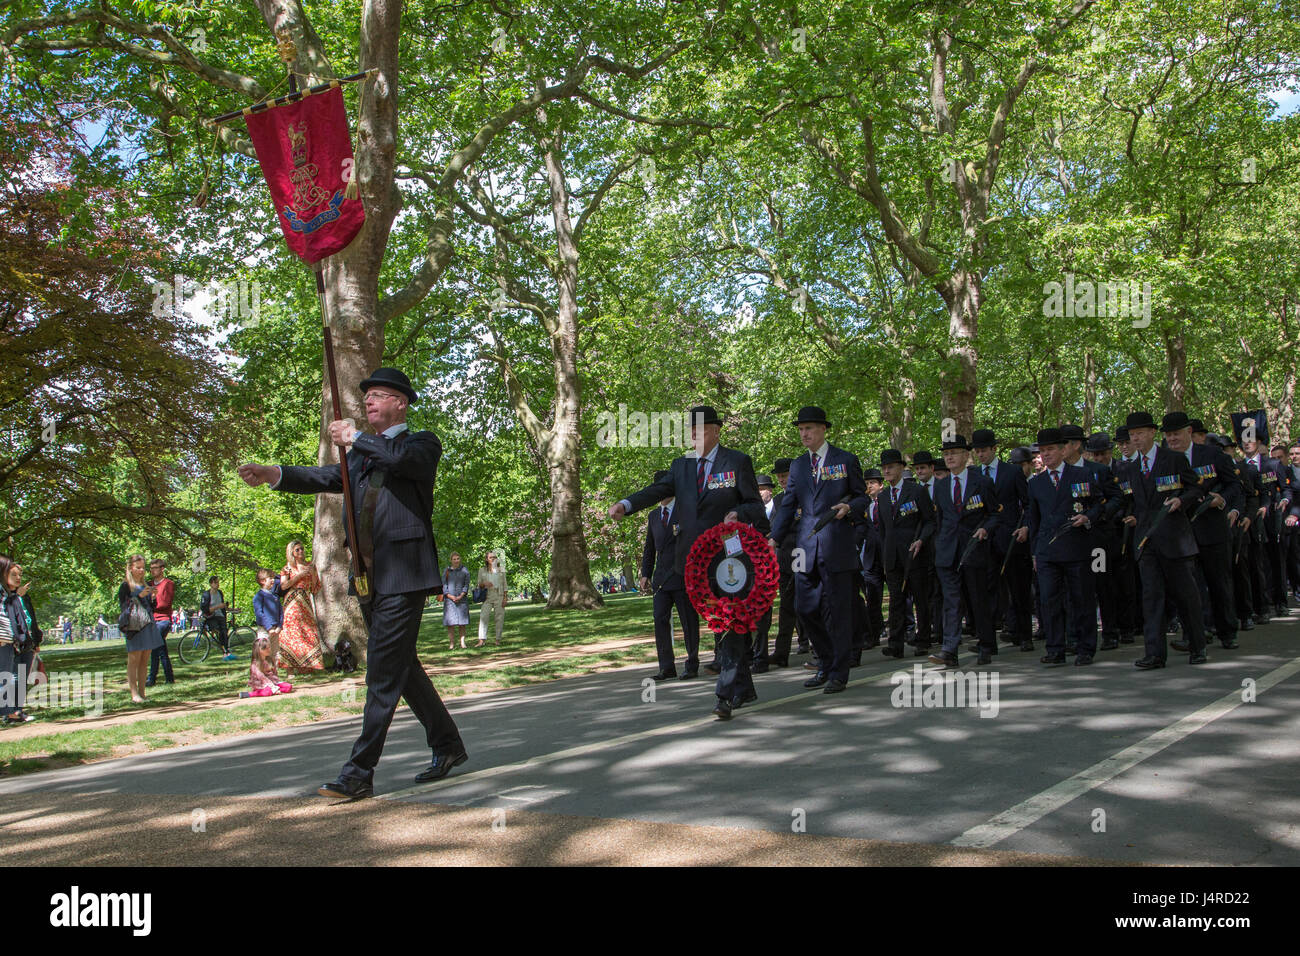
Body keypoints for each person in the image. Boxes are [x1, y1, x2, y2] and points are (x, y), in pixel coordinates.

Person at [239, 366, 467, 798]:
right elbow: (327, 477)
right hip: (365, 576)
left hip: (405, 575)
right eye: (367, 397)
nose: (369, 402)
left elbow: (398, 461)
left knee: (381, 670)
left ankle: (359, 772)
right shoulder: (363, 454)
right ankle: (448, 744)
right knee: (402, 666)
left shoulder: (421, 443)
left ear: (401, 402)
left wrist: (355, 438)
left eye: (378, 395)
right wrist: (275, 474)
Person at [610, 405, 768, 718]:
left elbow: (755, 505)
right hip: (695, 560)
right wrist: (626, 504)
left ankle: (724, 694)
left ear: (716, 430)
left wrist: (740, 514)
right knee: (721, 621)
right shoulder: (681, 466)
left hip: (728, 556)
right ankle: (744, 688)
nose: (694, 433)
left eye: (700, 428)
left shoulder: (737, 462)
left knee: (730, 618)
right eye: (690, 428)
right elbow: (657, 490)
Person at [770, 406, 869, 695]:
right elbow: (788, 504)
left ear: (824, 429)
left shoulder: (846, 460)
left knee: (838, 611)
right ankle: (825, 661)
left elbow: (863, 497)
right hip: (805, 547)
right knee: (805, 608)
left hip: (837, 544)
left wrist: (849, 507)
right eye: (800, 429)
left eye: (809, 428)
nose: (804, 434)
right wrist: (774, 538)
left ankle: (839, 671)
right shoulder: (799, 465)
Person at [1124, 411, 1209, 668]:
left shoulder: (1173, 459)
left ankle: (1197, 646)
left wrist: (1181, 500)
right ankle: (1155, 653)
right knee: (1152, 598)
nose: (1136, 439)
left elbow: (1197, 487)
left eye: (1140, 433)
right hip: (1146, 542)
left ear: (1152, 433)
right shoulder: (1129, 467)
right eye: (1132, 435)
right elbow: (1130, 502)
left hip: (1174, 539)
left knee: (1186, 596)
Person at [1026, 428, 1105, 666]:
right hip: (1047, 550)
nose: (1046, 454)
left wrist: (1087, 517)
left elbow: (1099, 504)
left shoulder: (1081, 474)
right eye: (1043, 451)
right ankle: (1055, 649)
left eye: (1051, 449)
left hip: (1077, 547)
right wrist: (1034, 553)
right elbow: (1033, 520)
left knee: (1081, 599)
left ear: (1063, 450)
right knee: (1049, 601)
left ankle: (1084, 648)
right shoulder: (1036, 483)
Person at [930, 436, 1001, 667]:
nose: (949, 457)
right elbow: (940, 519)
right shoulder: (940, 485)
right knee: (951, 600)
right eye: (946, 454)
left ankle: (986, 644)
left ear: (965, 455)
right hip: (947, 551)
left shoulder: (981, 481)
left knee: (978, 599)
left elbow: (994, 514)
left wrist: (984, 530)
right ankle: (950, 649)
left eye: (954, 452)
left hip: (973, 548)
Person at [877, 448, 936, 660]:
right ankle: (895, 643)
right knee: (896, 601)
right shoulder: (882, 497)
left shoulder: (917, 491)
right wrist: (885, 556)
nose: (887, 471)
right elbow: (883, 530)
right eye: (884, 468)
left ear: (901, 468)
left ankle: (923, 640)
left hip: (915, 554)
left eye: (891, 467)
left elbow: (930, 520)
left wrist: (921, 540)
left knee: (920, 598)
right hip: (893, 557)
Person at [640, 472, 699, 680]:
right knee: (660, 620)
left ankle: (692, 663)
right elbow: (650, 548)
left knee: (688, 621)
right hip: (661, 579)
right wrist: (645, 573)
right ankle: (666, 666)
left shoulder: (685, 511)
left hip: (682, 576)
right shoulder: (654, 516)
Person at [117, 555, 164, 703]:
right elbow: (124, 607)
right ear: (131, 568)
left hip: (148, 624)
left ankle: (143, 693)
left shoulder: (145, 585)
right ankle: (134, 694)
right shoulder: (126, 586)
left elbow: (152, 607)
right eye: (138, 567)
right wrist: (137, 595)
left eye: (143, 567)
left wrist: (152, 597)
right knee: (134, 659)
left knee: (144, 660)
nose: (141, 570)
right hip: (134, 626)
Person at [0, 555, 41, 724]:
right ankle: (10, 712)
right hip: (6, 639)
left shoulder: (16, 595)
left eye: (20, 575)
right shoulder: (8, 595)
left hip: (16, 640)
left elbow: (29, 619)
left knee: (11, 676)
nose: (18, 578)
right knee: (8, 677)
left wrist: (35, 640)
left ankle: (12, 712)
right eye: (13, 574)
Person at [279, 540, 327, 672]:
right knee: (291, 633)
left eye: (302, 549)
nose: (301, 551)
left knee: (308, 631)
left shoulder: (311, 566)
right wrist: (298, 576)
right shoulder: (287, 568)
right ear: (292, 553)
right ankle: (289, 669)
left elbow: (315, 588)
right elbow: (283, 586)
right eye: (297, 550)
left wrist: (311, 576)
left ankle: (308, 666)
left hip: (305, 600)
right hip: (292, 601)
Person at [145, 558, 176, 687]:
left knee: (155, 648)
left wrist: (152, 599)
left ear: (162, 569)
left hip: (163, 620)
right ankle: (169, 677)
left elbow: (165, 603)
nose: (152, 570)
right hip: (152, 621)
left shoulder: (168, 584)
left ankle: (151, 678)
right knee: (160, 649)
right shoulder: (149, 584)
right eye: (151, 568)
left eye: (155, 568)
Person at [253, 568, 284, 664]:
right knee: (263, 653)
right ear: (262, 581)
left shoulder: (274, 596)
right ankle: (262, 675)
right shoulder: (259, 596)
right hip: (264, 630)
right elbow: (259, 614)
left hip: (275, 630)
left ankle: (274, 675)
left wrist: (279, 626)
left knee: (275, 654)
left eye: (273, 577)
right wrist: (269, 627)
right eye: (270, 578)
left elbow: (281, 612)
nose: (273, 580)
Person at [476, 552, 507, 647]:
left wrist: (505, 598)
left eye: (494, 557)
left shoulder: (501, 570)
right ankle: (481, 640)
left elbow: (505, 584)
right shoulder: (482, 570)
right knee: (483, 616)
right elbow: (479, 584)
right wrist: (484, 583)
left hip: (499, 595)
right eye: (490, 557)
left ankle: (498, 639)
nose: (493, 559)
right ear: (486, 559)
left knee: (499, 617)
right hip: (487, 596)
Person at [201, 576, 234, 660]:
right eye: (216, 582)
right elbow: (205, 609)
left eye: (218, 582)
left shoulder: (220, 592)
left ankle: (226, 652)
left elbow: (223, 605)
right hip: (211, 616)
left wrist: (231, 609)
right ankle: (225, 651)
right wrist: (217, 607)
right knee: (219, 631)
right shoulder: (206, 595)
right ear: (211, 584)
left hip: (221, 615)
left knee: (224, 632)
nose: (217, 584)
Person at [442, 552, 471, 649]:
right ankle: (451, 644)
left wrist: (461, 596)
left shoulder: (465, 570)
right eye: (454, 559)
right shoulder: (446, 571)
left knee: (462, 623)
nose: (456, 561)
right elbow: (444, 586)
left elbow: (466, 585)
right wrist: (450, 596)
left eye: (458, 558)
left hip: (462, 600)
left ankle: (463, 643)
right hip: (449, 600)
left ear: (460, 559)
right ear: (451, 560)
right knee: (451, 623)